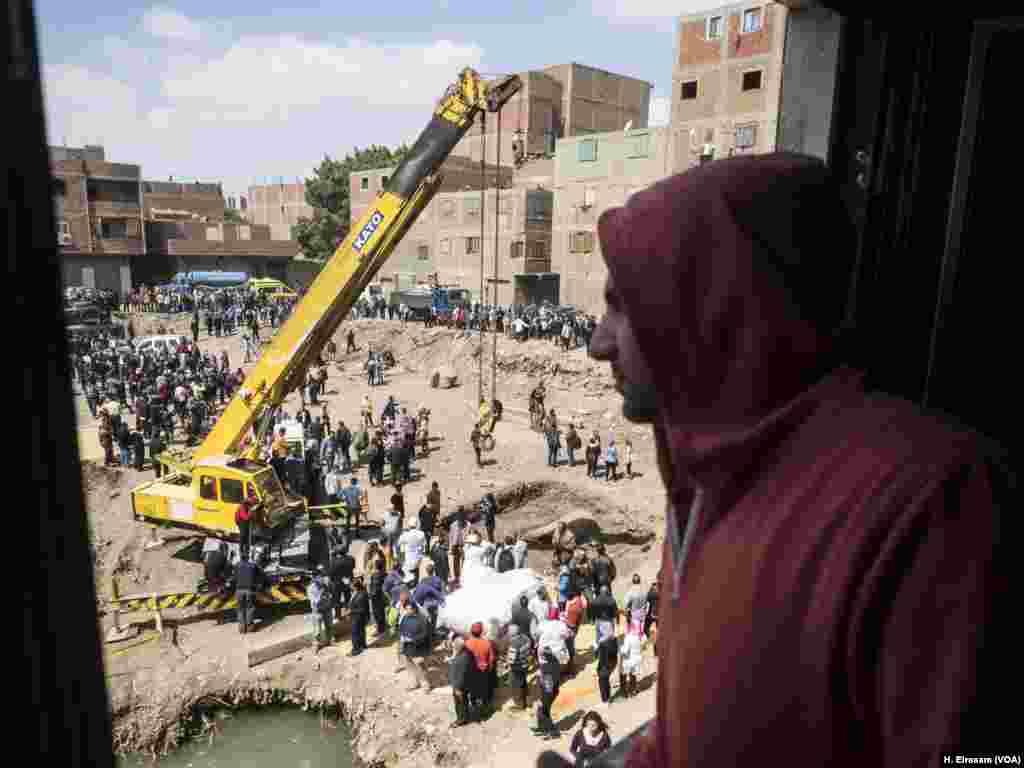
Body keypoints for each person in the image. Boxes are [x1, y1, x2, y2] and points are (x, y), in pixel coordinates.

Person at [589, 154, 1015, 766]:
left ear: (714, 304)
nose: (597, 342)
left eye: (622, 305)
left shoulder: (934, 504)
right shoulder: (705, 485)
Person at [398, 601, 432, 692]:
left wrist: (413, 639)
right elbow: (401, 628)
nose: (408, 610)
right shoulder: (405, 617)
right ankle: (415, 682)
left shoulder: (422, 619)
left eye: (410, 608)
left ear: (415, 608)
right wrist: (402, 637)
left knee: (420, 665)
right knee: (409, 665)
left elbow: (425, 633)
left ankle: (426, 684)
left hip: (419, 646)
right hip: (407, 646)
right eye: (407, 609)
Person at [464, 622, 496, 714]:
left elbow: (464, 659)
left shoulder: (467, 643)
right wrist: (489, 669)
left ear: (471, 631)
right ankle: (485, 708)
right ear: (481, 631)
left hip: (471, 672)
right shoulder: (487, 643)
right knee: (484, 690)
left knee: (473, 691)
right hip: (484, 671)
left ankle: (474, 707)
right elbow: (492, 659)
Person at [533, 647, 562, 740]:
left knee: (543, 711)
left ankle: (552, 731)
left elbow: (548, 686)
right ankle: (542, 728)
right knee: (544, 711)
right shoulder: (556, 663)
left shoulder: (546, 668)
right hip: (554, 691)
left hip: (548, 693)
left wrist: (542, 700)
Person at [235, 552, 267, 635]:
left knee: (240, 608)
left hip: (239, 590)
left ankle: (242, 627)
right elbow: (262, 574)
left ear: (241, 558)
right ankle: (249, 627)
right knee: (249, 608)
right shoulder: (253, 565)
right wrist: (259, 584)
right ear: (248, 557)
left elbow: (234, 576)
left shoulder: (237, 565)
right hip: (250, 590)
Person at [448, 636, 476, 728]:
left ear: (457, 647)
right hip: (467, 683)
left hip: (460, 686)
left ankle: (461, 720)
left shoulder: (460, 660)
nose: (453, 647)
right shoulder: (467, 653)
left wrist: (457, 688)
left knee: (460, 703)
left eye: (454, 646)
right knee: (464, 701)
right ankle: (465, 715)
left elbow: (460, 676)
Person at [506, 624, 532, 710]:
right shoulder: (526, 638)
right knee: (523, 681)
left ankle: (519, 705)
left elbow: (511, 660)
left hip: (517, 667)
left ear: (512, 633)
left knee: (515, 686)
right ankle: (527, 700)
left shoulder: (514, 643)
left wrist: (506, 662)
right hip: (525, 664)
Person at [348, 577, 370, 656]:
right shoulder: (358, 592)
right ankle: (363, 645)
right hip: (358, 617)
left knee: (355, 633)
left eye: (351, 585)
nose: (350, 586)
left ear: (355, 586)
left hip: (358, 617)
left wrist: (351, 611)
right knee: (361, 631)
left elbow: (362, 609)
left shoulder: (361, 595)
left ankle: (356, 649)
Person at [368, 556, 388, 639]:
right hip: (382, 596)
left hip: (376, 598)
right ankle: (382, 628)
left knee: (377, 613)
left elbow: (375, 588)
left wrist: (370, 595)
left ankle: (380, 630)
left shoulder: (376, 575)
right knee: (381, 613)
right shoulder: (384, 574)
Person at [448, 509, 466, 585]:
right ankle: (457, 577)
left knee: (464, 561)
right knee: (456, 562)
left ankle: (463, 576)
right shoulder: (453, 525)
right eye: (459, 517)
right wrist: (451, 546)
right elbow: (451, 536)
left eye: (461, 517)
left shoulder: (467, 524)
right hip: (455, 545)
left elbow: (467, 534)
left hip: (463, 545)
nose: (460, 519)